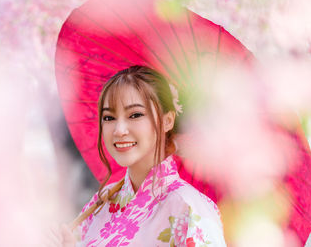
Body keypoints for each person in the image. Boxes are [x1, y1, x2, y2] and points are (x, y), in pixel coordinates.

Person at [61, 65, 227, 247]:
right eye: (109, 117)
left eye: (135, 115)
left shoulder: (189, 206)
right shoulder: (103, 202)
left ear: (167, 120)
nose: (119, 130)